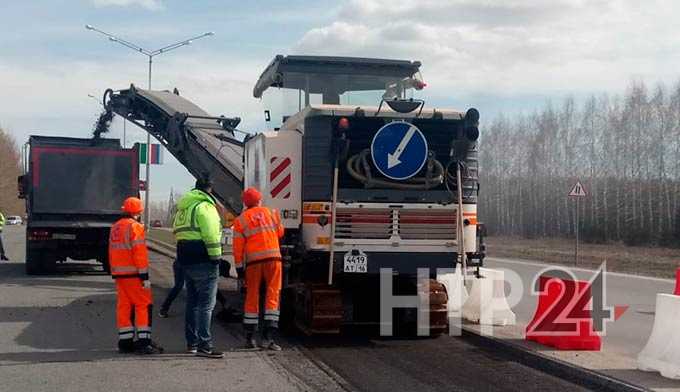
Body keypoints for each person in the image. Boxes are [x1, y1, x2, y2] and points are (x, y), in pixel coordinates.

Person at [173, 178, 225, 359]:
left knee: (192, 303)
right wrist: (216, 258)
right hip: (203, 258)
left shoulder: (184, 208)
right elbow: (211, 235)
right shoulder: (205, 207)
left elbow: (177, 233)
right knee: (206, 305)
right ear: (209, 190)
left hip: (185, 258)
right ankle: (205, 345)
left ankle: (192, 344)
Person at [232, 187, 285, 351]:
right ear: (259, 200)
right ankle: (268, 338)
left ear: (245, 203)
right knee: (272, 294)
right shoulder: (272, 213)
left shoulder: (240, 220)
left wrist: (240, 270)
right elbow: (280, 232)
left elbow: (237, 249)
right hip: (274, 260)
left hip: (254, 263)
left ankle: (250, 339)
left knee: (252, 296)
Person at [109, 197, 162, 354]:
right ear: (138, 212)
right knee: (143, 305)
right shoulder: (135, 227)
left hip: (119, 275)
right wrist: (144, 276)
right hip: (133, 274)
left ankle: (125, 342)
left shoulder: (115, 227)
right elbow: (140, 254)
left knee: (124, 306)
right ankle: (144, 341)